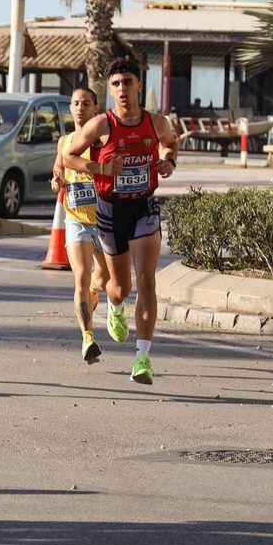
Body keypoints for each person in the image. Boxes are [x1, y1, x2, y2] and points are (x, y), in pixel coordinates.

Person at [66, 56, 179, 385]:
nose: (122, 89)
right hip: (110, 211)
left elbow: (170, 144)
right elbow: (70, 156)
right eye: (115, 84)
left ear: (139, 85)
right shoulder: (101, 125)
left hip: (144, 207)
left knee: (147, 282)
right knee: (120, 288)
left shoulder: (156, 123)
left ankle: (142, 358)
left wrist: (168, 161)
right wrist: (102, 169)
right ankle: (115, 306)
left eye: (127, 82)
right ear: (110, 90)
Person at [50, 86, 111, 364]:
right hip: (76, 219)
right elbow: (58, 169)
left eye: (86, 103)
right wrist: (57, 181)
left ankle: (96, 292)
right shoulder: (65, 141)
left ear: (96, 108)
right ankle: (88, 338)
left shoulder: (105, 141)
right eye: (75, 103)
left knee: (106, 279)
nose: (79, 108)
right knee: (81, 277)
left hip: (105, 219)